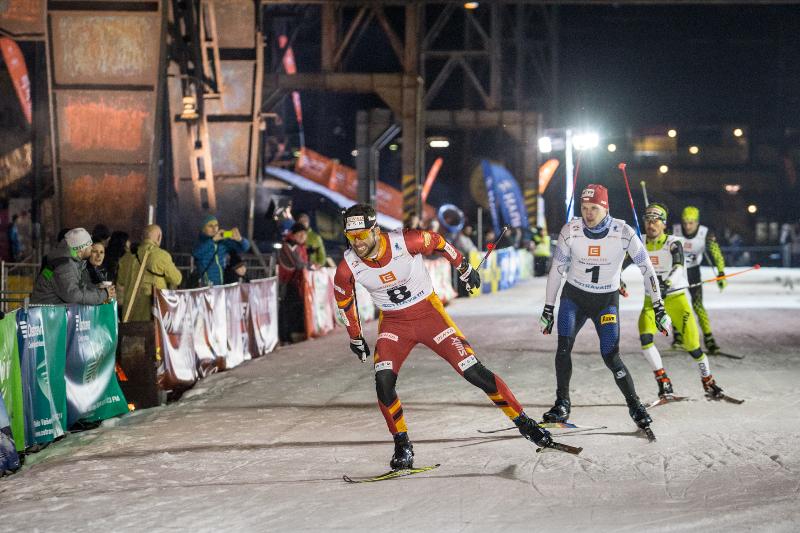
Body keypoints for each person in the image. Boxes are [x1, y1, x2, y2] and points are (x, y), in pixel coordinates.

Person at [334, 204, 552, 470]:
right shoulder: (348, 266)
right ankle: (402, 444)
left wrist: (464, 267)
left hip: (429, 315)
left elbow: (437, 242)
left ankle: (525, 423)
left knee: (472, 371)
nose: (357, 242)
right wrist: (355, 337)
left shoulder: (405, 240)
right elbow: (344, 302)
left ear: (375, 230)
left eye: (362, 235)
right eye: (351, 236)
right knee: (383, 381)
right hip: (394, 323)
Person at [538, 184, 669, 433]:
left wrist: (659, 307)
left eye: (594, 209)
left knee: (611, 355)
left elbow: (647, 270)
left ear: (605, 207)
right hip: (573, 297)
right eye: (584, 208)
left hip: (605, 301)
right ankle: (562, 403)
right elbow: (556, 270)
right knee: (563, 347)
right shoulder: (571, 229)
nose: (588, 214)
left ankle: (635, 405)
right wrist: (548, 308)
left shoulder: (623, 232)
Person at [630, 203, 726, 399]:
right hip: (652, 301)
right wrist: (618, 280)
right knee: (646, 339)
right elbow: (620, 263)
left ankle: (707, 380)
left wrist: (666, 283)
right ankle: (663, 380)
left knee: (693, 347)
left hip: (676, 300)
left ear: (664, 224)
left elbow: (679, 266)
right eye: (648, 220)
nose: (651, 224)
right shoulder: (639, 243)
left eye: (655, 220)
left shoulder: (673, 242)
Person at [671, 206, 727, 354]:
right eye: (685, 222)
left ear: (697, 222)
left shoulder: (705, 233)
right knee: (676, 303)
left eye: (691, 223)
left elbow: (716, 254)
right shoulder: (674, 230)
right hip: (676, 272)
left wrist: (721, 273)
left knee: (697, 306)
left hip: (693, 272)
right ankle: (678, 337)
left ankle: (709, 339)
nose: (687, 226)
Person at [31, 228, 114, 305]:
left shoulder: (64, 261)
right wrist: (103, 294)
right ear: (81, 249)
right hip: (45, 315)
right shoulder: (64, 266)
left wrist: (96, 288)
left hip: (48, 312)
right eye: (89, 245)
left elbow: (77, 288)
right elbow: (73, 295)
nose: (91, 248)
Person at [117, 224, 182, 322]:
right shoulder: (162, 256)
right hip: (152, 312)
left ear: (142, 237)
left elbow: (121, 280)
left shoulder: (127, 257)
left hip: (130, 312)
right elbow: (177, 279)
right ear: (159, 237)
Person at [192, 215, 250, 286]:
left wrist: (240, 239)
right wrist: (213, 240)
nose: (214, 228)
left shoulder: (222, 241)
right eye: (210, 226)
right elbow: (196, 253)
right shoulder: (200, 242)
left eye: (216, 225)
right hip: (206, 285)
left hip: (222, 284)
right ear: (203, 229)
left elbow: (245, 248)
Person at [278, 222, 311, 344]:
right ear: (294, 234)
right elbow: (298, 264)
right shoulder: (290, 245)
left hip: (297, 283)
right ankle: (286, 337)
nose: (303, 236)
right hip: (287, 282)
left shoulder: (300, 246)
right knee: (287, 311)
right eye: (300, 233)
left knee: (296, 309)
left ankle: (294, 335)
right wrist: (311, 266)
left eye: (305, 234)